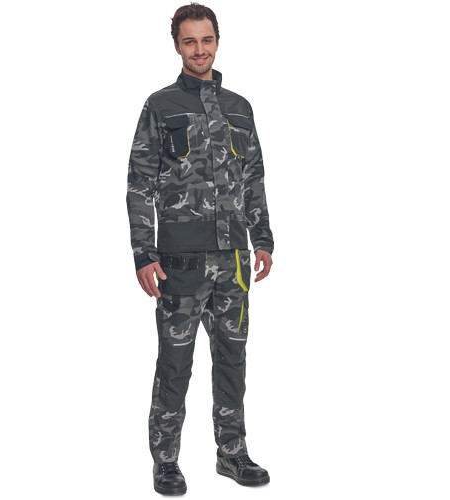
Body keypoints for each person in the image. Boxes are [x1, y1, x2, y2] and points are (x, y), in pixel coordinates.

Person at [126, 3, 274, 495]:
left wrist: (263, 239)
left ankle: (232, 454)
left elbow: (254, 179)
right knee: (175, 364)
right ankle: (166, 462)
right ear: (177, 46)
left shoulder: (239, 108)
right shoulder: (160, 105)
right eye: (189, 41)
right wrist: (144, 253)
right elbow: (139, 183)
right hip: (180, 263)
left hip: (234, 260)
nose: (199, 49)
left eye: (206, 39)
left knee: (233, 359)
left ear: (217, 41)